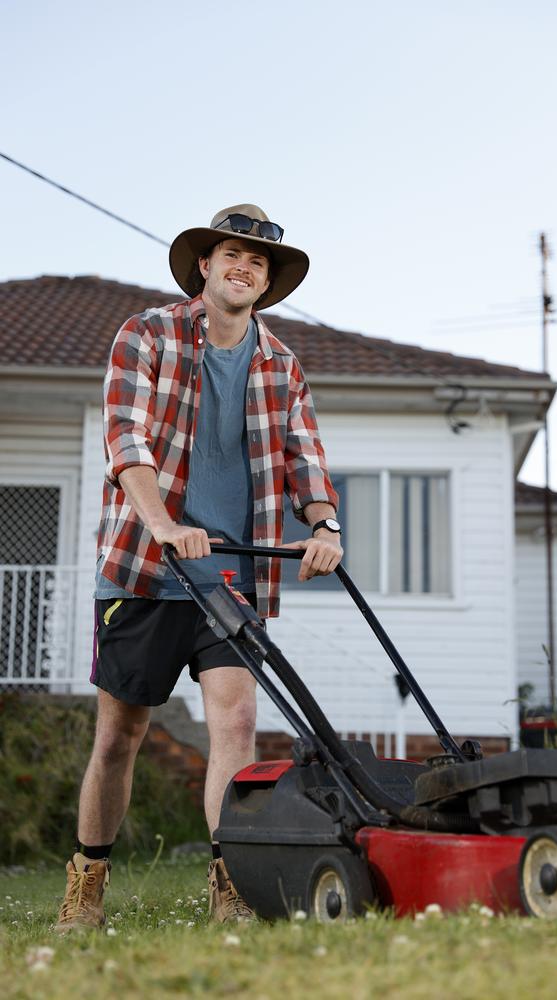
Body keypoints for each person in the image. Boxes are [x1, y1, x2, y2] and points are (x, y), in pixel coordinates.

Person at [55, 204, 342, 932]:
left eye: (258, 263)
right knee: (120, 735)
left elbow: (304, 457)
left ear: (266, 283)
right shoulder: (146, 334)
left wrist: (325, 526)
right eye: (230, 256)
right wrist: (162, 523)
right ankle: (86, 886)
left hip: (230, 578)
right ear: (204, 268)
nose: (243, 269)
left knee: (237, 723)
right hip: (145, 571)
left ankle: (231, 890)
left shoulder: (282, 365)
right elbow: (127, 439)